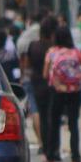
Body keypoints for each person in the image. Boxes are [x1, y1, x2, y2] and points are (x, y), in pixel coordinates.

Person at [43, 27, 81, 162]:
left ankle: (50, 156)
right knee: (73, 124)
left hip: (57, 90)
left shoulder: (52, 52)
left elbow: (45, 74)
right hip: (75, 91)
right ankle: (75, 157)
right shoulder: (76, 52)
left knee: (54, 124)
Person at [26, 18, 57, 154]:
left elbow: (27, 64)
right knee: (52, 116)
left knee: (40, 114)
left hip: (36, 82)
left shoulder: (33, 45)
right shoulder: (54, 48)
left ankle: (42, 144)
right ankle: (52, 147)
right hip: (52, 84)